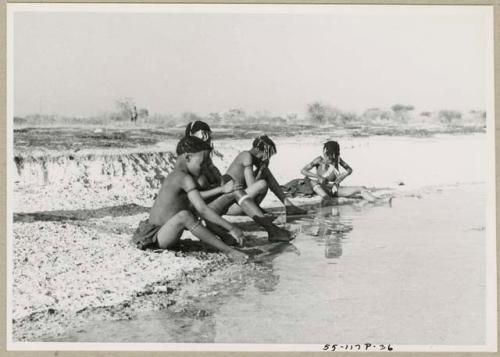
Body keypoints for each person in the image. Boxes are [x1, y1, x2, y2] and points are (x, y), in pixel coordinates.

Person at [131, 136, 247, 263]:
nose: (203, 168)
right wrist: (232, 228)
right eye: (202, 163)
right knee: (185, 216)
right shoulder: (183, 178)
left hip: (162, 232)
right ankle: (229, 251)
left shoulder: (178, 175)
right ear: (188, 158)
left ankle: (225, 239)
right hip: (154, 237)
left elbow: (199, 209)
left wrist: (225, 233)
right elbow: (203, 210)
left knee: (191, 209)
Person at [206, 135, 305, 243]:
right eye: (266, 154)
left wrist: (263, 169)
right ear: (258, 150)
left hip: (236, 201)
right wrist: (261, 170)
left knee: (265, 174)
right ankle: (269, 214)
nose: (266, 158)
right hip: (231, 205)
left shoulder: (251, 158)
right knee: (262, 183)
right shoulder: (246, 156)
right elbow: (252, 186)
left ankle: (288, 205)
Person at [301, 140, 379, 205]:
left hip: (335, 189)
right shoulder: (319, 160)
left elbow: (349, 169)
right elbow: (303, 170)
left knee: (361, 188)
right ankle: (327, 199)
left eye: (333, 154)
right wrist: (318, 177)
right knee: (312, 181)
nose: (330, 156)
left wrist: (342, 177)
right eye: (328, 154)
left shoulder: (337, 160)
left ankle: (378, 202)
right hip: (321, 188)